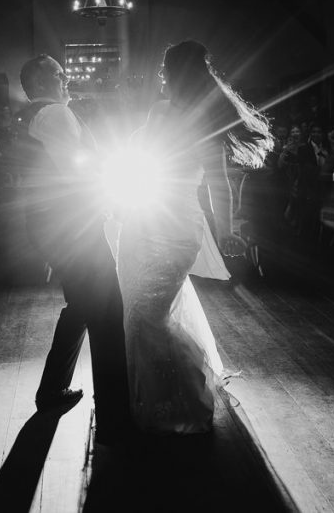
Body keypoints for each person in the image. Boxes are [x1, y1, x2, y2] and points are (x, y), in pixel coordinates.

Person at [115, 40, 273, 434]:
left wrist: (228, 232)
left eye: (164, 73)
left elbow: (212, 182)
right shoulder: (189, 116)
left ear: (170, 74)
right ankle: (161, 399)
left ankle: (185, 397)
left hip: (167, 228)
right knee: (143, 315)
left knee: (145, 316)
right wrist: (226, 231)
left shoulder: (169, 114)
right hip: (158, 223)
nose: (161, 79)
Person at [16, 54, 132, 445]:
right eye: (58, 72)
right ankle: (116, 413)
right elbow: (75, 168)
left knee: (83, 306)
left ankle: (52, 391)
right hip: (71, 227)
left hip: (59, 225)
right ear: (39, 80)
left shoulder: (42, 115)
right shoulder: (53, 115)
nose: (67, 76)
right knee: (107, 311)